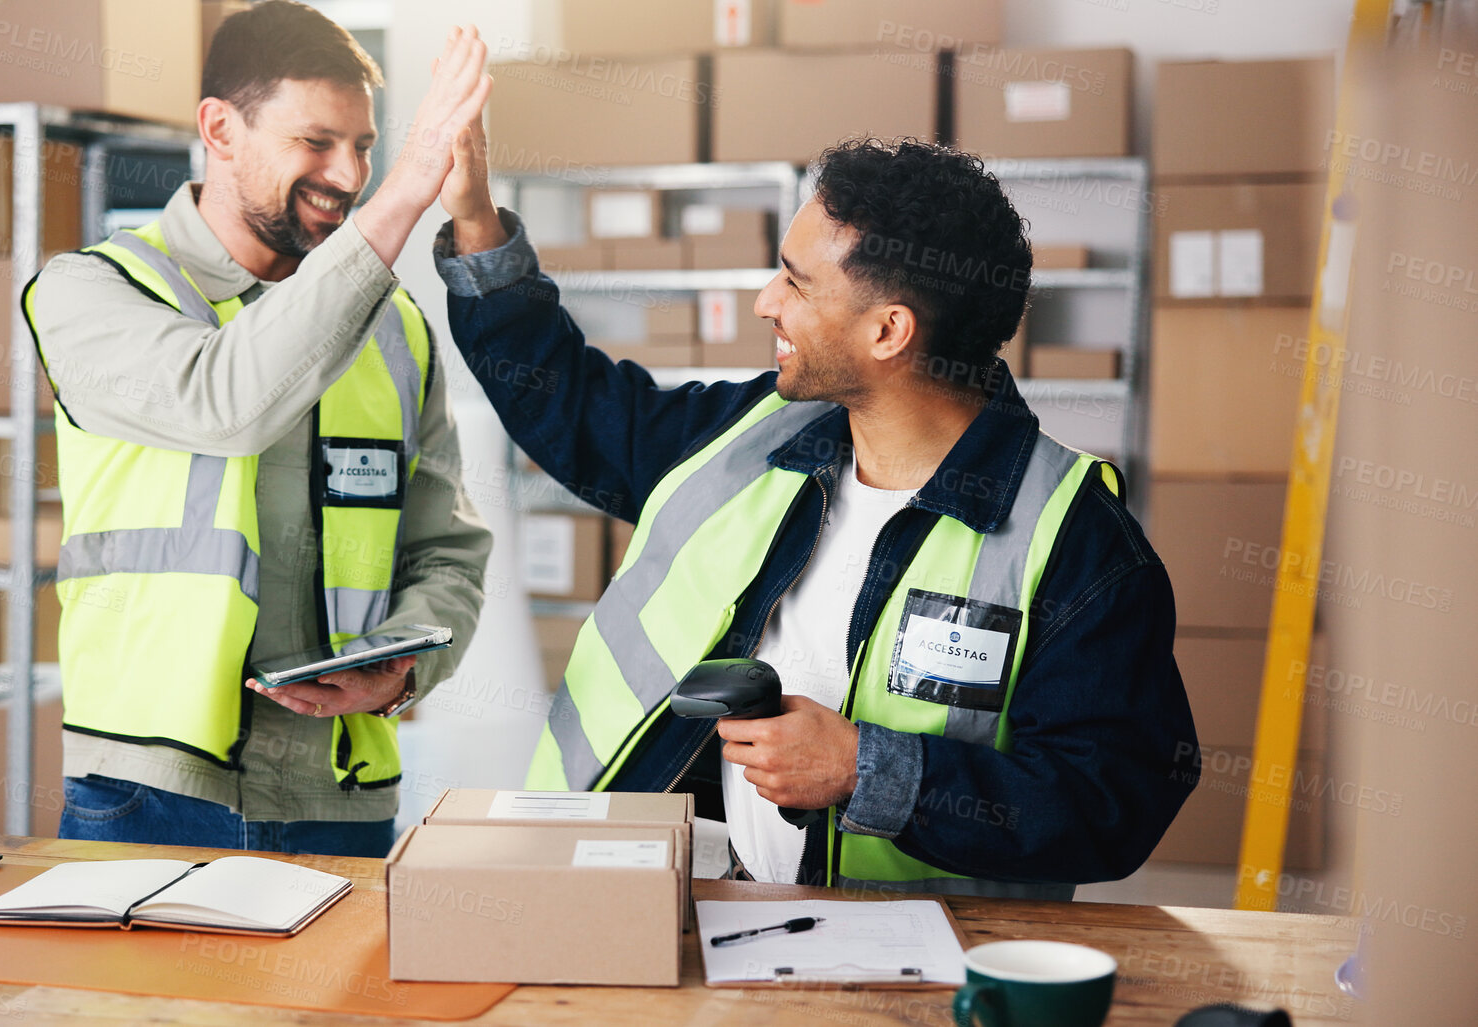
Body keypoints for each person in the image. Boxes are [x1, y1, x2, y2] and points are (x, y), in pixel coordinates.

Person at [433, 131, 1197, 897]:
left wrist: (866, 769)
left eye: (796, 283)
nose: (766, 302)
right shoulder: (746, 438)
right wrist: (473, 222)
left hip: (917, 971)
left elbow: (1109, 800)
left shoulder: (1079, 543)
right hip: (708, 907)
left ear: (887, 331)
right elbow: (572, 402)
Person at [23, 4, 493, 857]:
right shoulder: (89, 292)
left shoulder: (392, 327)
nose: (347, 174)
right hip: (152, 789)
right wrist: (408, 188)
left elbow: (446, 549)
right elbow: (227, 402)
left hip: (337, 790)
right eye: (315, 142)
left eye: (365, 147)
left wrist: (403, 664)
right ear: (220, 128)